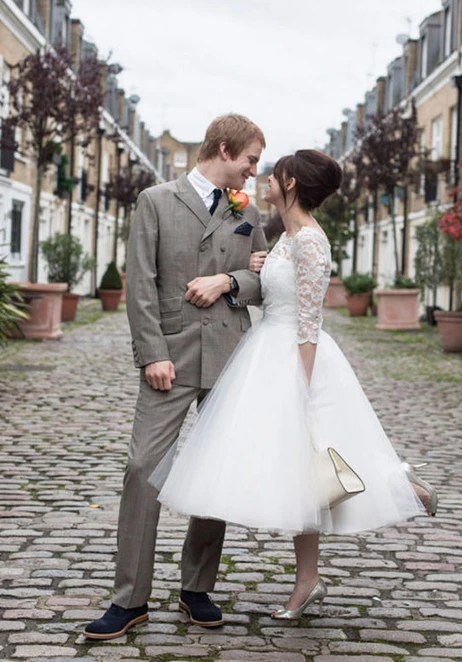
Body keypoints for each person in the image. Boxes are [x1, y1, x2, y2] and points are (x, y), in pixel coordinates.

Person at [149, 149, 437, 620]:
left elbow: (309, 322)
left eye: (275, 173)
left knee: (317, 458)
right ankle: (308, 582)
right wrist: (259, 267)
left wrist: (299, 389)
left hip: (295, 358)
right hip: (266, 347)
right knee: (301, 477)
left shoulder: (310, 242)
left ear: (292, 184)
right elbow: (272, 292)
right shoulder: (288, 236)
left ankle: (402, 488)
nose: (264, 178)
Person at [83, 114, 267, 640]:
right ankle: (130, 599)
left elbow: (264, 277)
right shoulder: (156, 200)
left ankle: (197, 588)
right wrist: (151, 355)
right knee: (142, 469)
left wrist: (231, 279)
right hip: (170, 357)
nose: (255, 171)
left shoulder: (248, 210)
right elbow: (140, 282)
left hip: (229, 355)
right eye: (251, 159)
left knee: (216, 472)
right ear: (226, 149)